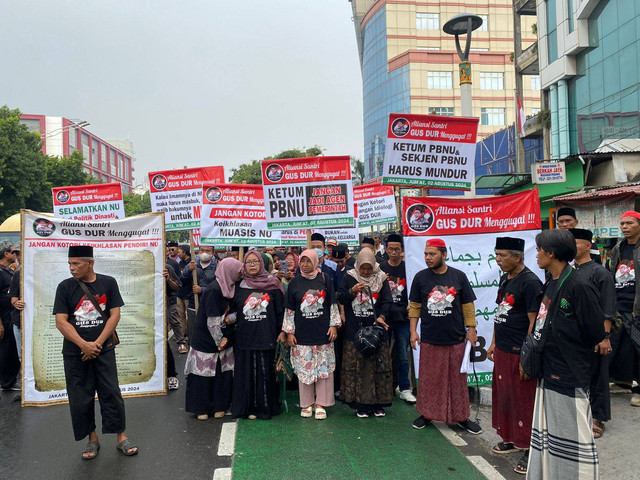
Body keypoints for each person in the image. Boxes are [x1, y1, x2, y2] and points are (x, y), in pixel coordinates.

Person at [527, 229, 604, 479]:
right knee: (549, 438)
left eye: (539, 250)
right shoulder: (551, 282)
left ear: (551, 253)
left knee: (573, 439)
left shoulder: (579, 285)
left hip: (569, 374)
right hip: (548, 371)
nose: (536, 254)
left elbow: (594, 333)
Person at [53, 245, 137, 459]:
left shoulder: (108, 283)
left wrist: (97, 344)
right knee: (81, 396)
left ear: (90, 263)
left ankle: (121, 436)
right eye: (69, 264)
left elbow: (114, 315)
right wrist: (83, 344)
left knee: (111, 392)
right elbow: (61, 322)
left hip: (104, 349)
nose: (71, 268)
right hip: (75, 352)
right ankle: (92, 439)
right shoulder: (65, 287)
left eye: (76, 264)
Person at [409, 238, 481, 434]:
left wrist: (471, 330)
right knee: (429, 380)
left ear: (444, 254)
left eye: (432, 254)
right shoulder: (420, 278)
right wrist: (413, 331)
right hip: (430, 339)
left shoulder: (458, 276)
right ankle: (426, 414)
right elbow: (415, 306)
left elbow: (468, 306)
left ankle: (462, 418)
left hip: (456, 339)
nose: (428, 258)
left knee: (457, 382)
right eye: (426, 254)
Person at [486, 237, 542, 475]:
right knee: (505, 397)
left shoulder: (530, 282)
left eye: (502, 255)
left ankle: (530, 449)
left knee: (524, 401)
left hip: (520, 352)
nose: (498, 260)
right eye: (496, 255)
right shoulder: (505, 278)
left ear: (517, 256)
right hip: (502, 349)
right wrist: (493, 343)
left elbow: (534, 323)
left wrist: (527, 357)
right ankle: (510, 439)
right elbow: (501, 312)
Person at [283, 250, 341, 419]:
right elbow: (290, 309)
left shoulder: (324, 279)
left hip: (323, 332)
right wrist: (289, 332)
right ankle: (307, 404)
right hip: (302, 334)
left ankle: (321, 403)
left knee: (323, 368)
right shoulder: (294, 282)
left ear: (316, 262)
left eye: (309, 261)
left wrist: (334, 326)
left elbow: (332, 304)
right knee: (305, 368)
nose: (305, 264)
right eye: (303, 261)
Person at [570, 228, 616, 439]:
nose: (571, 246)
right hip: (573, 336)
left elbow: (608, 307)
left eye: (575, 243)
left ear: (588, 246)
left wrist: (605, 337)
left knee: (598, 376)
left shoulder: (600, 273)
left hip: (596, 335)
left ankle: (597, 418)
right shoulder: (567, 271)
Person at [185, 258, 243, 420]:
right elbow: (212, 321)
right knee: (203, 376)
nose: (240, 273)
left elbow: (236, 312)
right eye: (238, 270)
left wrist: (230, 322)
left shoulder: (232, 286)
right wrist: (220, 341)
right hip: (207, 338)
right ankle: (201, 408)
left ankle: (220, 406)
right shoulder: (214, 290)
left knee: (220, 374)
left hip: (224, 338)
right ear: (229, 271)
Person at [338, 249, 393, 418]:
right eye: (363, 268)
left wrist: (382, 317)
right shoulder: (349, 277)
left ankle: (378, 404)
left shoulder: (381, 278)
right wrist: (352, 291)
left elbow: (387, 301)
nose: (366, 272)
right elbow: (340, 297)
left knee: (377, 368)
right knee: (358, 369)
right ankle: (360, 404)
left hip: (375, 331)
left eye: (369, 268)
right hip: (355, 331)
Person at [231, 251, 286, 419]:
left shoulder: (273, 284)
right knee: (245, 373)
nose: (252, 265)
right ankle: (246, 408)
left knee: (265, 373)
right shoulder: (239, 285)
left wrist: (282, 331)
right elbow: (234, 311)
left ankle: (264, 409)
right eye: (248, 262)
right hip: (244, 337)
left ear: (262, 263)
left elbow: (280, 311)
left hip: (266, 335)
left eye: (256, 261)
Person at [378, 233, 416, 404]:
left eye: (397, 249)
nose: (393, 252)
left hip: (403, 317)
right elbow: (373, 292)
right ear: (386, 249)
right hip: (385, 317)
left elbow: (415, 290)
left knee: (402, 354)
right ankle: (383, 387)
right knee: (382, 353)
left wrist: (412, 305)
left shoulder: (408, 268)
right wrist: (380, 282)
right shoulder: (379, 268)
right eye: (391, 249)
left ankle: (404, 388)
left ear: (402, 250)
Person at [608, 210, 640, 406]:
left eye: (629, 223)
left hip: (637, 307)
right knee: (619, 346)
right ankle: (624, 381)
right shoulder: (618, 248)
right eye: (622, 224)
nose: (625, 227)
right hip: (619, 306)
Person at [0, 242, 19, 391]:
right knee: (5, 351)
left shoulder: (9, 271)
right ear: (6, 254)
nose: (16, 255)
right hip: (3, 318)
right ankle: (5, 382)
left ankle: (10, 381)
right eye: (13, 252)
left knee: (12, 350)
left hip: (10, 316)